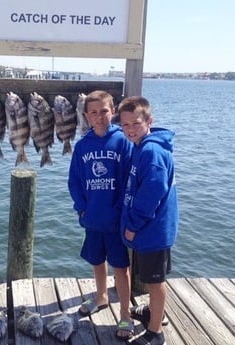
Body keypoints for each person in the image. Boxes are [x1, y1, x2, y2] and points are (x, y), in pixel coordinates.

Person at [68, 90, 134, 340]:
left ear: (113, 111)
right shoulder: (83, 145)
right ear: (86, 116)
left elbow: (130, 180)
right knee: (96, 261)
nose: (99, 116)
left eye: (104, 111)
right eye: (93, 112)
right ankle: (101, 296)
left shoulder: (123, 141)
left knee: (120, 267)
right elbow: (74, 180)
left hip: (116, 220)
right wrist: (81, 206)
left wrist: (121, 210)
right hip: (92, 218)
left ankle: (126, 313)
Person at [118, 96, 178, 345]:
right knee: (150, 277)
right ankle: (153, 312)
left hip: (152, 231)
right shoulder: (142, 146)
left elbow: (151, 193)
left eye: (136, 123)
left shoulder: (151, 152)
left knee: (155, 282)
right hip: (149, 231)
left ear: (149, 121)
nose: (130, 129)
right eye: (125, 125)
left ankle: (156, 331)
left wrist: (132, 225)